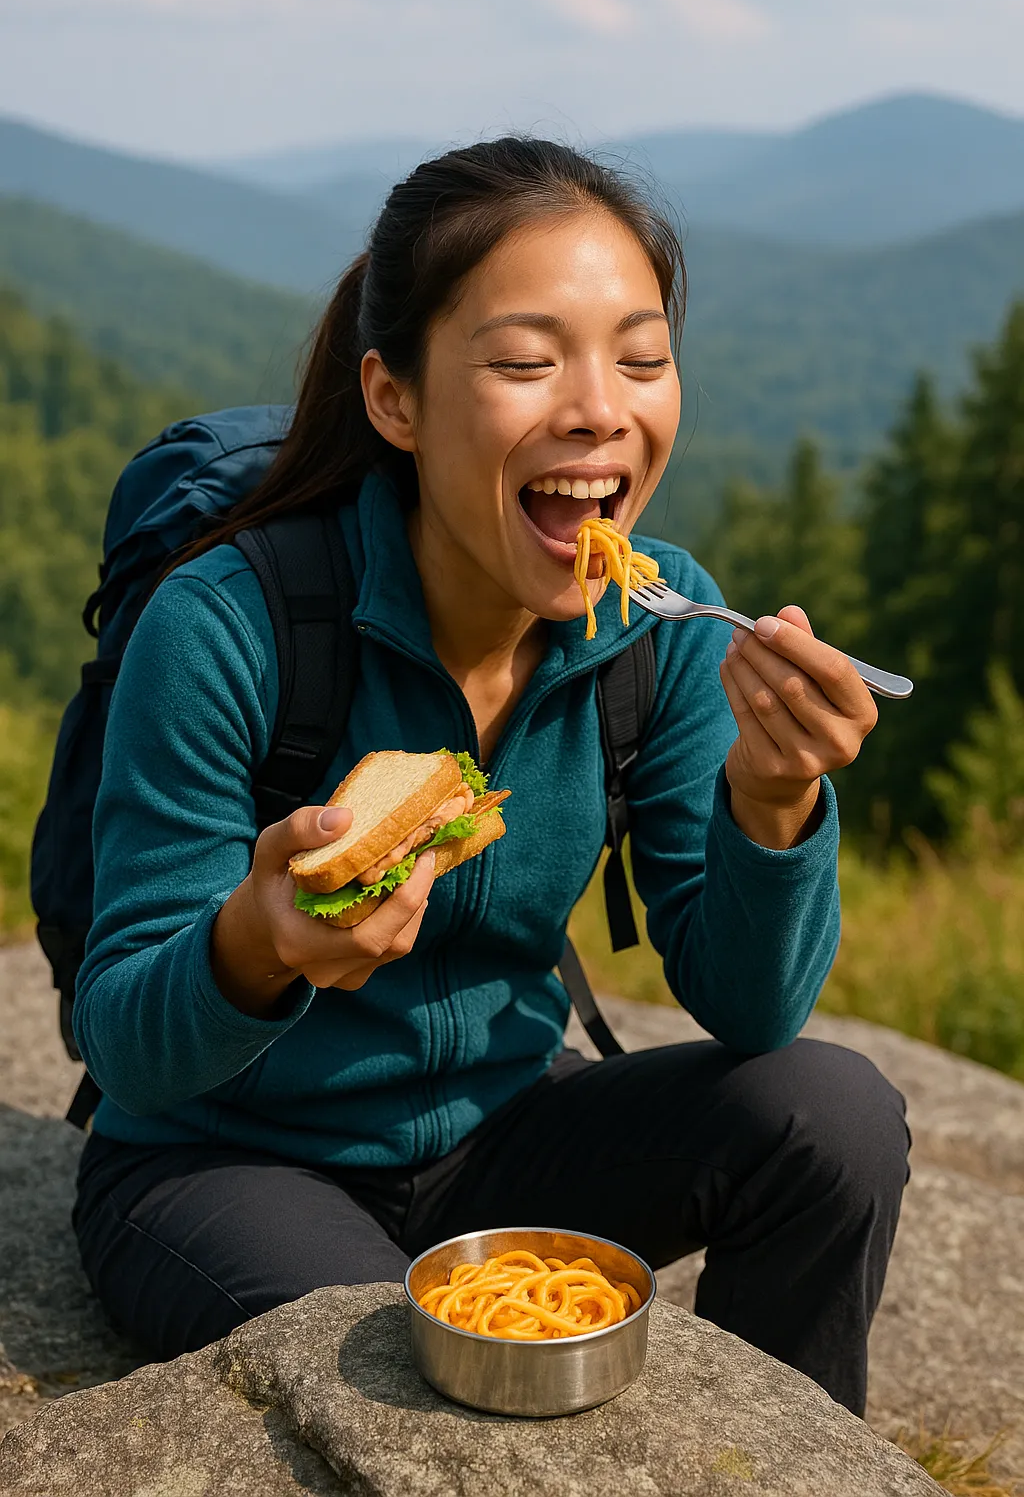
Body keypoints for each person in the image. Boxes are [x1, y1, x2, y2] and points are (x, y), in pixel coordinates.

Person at [71, 137, 908, 1416]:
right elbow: (124, 1039)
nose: (597, 407)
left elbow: (751, 1011)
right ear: (393, 400)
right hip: (225, 1160)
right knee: (412, 1374)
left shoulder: (663, 618)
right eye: (526, 361)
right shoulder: (231, 623)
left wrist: (775, 801)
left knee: (830, 1116)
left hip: (505, 1136)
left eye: (641, 357)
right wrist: (262, 939)